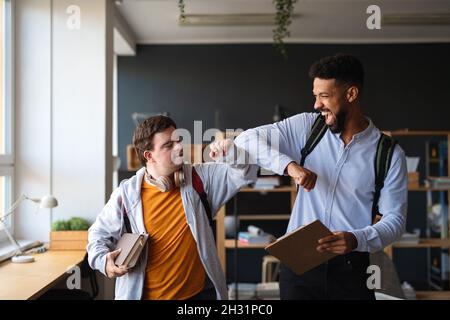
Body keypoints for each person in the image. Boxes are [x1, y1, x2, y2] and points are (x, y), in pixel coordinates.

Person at [234, 53, 407, 300]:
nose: (316, 104)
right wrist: (290, 166)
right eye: (315, 95)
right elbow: (245, 139)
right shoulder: (307, 127)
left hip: (353, 270)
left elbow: (395, 220)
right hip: (298, 267)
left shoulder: (389, 153)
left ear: (351, 94)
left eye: (324, 96)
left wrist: (356, 239)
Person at [87, 115, 257, 300]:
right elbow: (97, 235)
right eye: (168, 145)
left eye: (179, 141)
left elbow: (246, 172)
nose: (179, 148)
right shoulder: (126, 195)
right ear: (149, 155)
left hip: (200, 296)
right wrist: (104, 262)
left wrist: (232, 153)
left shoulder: (200, 179)